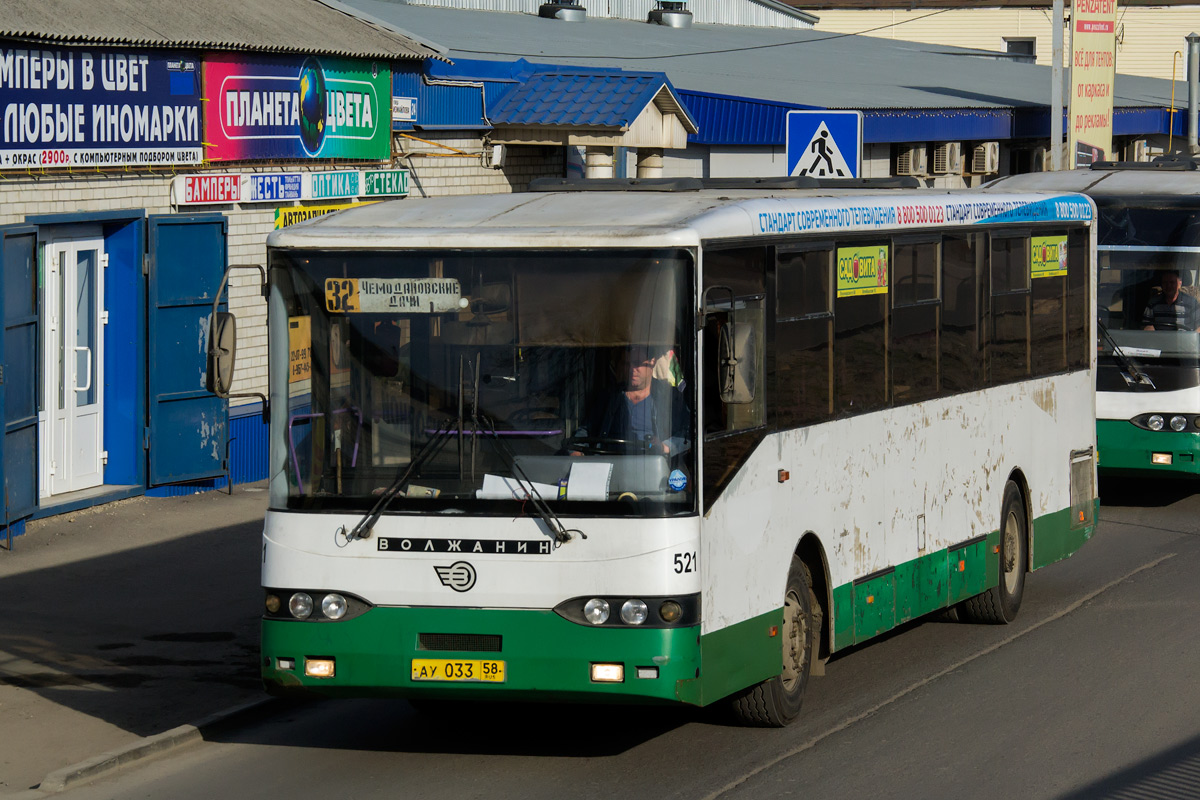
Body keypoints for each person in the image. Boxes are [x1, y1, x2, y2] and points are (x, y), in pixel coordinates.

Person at [571, 345, 691, 456]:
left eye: (637, 363)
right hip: (610, 463)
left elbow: (688, 434)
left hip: (651, 468)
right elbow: (586, 429)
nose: (632, 369)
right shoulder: (608, 397)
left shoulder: (668, 398)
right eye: (626, 364)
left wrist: (665, 447)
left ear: (652, 362)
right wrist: (576, 449)